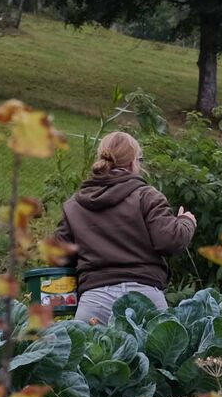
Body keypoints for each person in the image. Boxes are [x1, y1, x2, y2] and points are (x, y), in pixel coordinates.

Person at [54, 132, 197, 324]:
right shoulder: (147, 196)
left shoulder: (74, 205)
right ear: (133, 163)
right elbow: (169, 241)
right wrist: (186, 222)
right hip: (145, 298)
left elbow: (59, 256)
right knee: (159, 354)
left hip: (94, 302)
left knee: (91, 354)